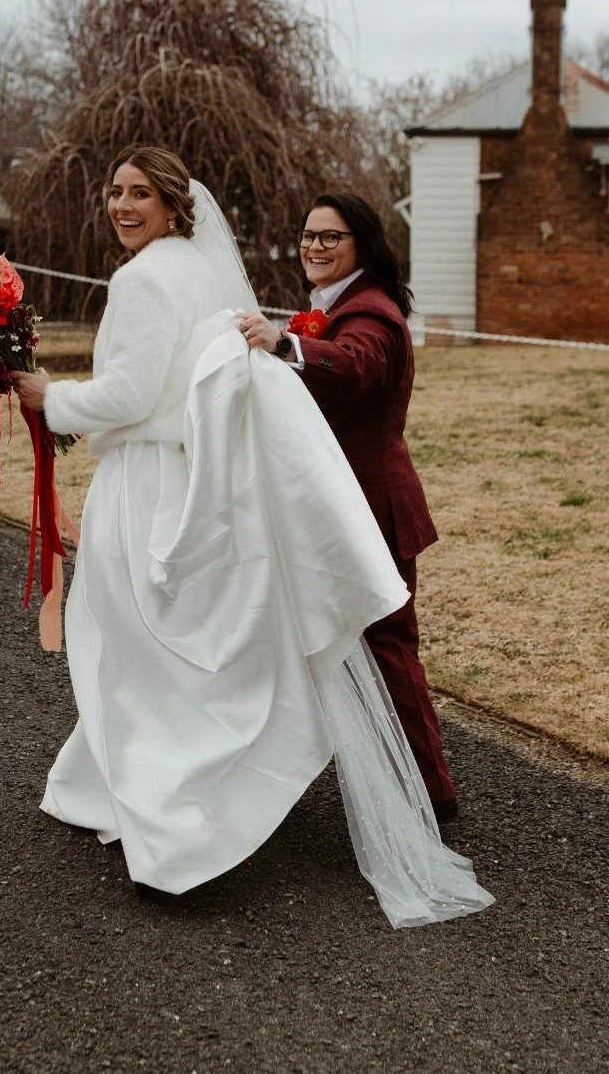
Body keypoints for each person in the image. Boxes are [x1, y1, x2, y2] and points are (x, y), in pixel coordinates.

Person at [11, 147, 491, 926]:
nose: (122, 205)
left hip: (161, 484)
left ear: (174, 206)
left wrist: (49, 396)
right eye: (115, 191)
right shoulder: (209, 274)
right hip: (210, 480)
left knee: (136, 646)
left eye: (140, 193)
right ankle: (105, 782)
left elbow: (132, 393)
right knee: (178, 645)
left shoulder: (148, 280)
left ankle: (187, 822)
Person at [236, 193, 458, 820]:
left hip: (374, 505)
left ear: (362, 243)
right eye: (308, 235)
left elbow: (357, 366)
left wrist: (287, 345)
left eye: (330, 237)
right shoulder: (334, 306)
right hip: (344, 503)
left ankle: (432, 793)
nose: (314, 246)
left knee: (388, 645)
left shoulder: (371, 313)